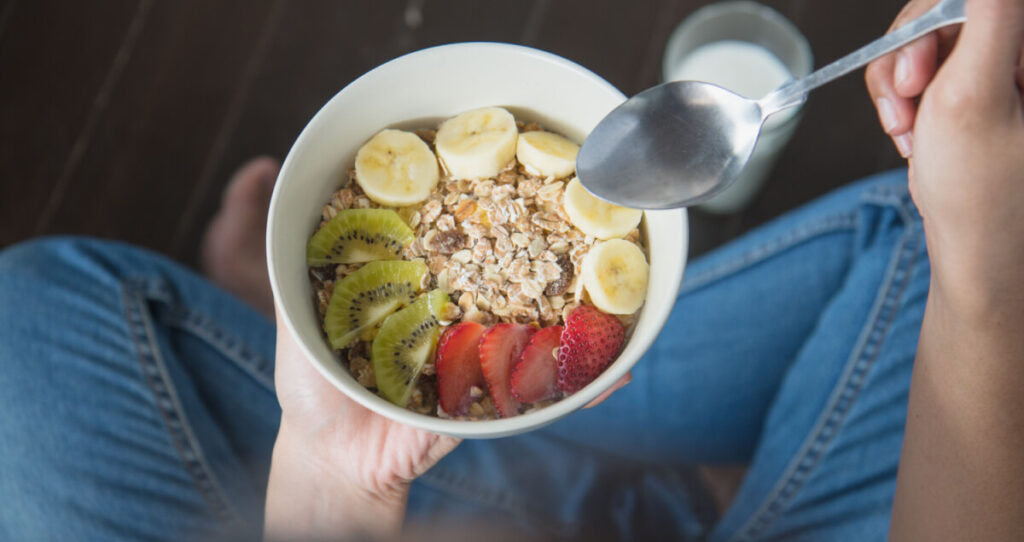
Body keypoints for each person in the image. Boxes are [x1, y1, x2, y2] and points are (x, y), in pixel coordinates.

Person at [1, 0, 1021, 539]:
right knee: (916, 227)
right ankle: (695, 485)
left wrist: (329, 472)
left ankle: (262, 330)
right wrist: (982, 274)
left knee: (25, 338)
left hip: (467, 478)